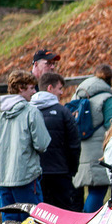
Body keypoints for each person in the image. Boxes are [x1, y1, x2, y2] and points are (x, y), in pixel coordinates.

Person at [0, 70, 50, 224]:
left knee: (10, 223)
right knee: (33, 223)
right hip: (26, 177)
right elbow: (42, 144)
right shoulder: (31, 111)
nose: (34, 92)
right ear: (21, 88)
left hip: (3, 178)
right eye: (31, 88)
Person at [72, 64, 112, 213]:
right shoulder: (107, 98)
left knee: (82, 193)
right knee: (98, 191)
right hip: (98, 152)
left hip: (79, 151)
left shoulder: (78, 95)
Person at [31, 72, 81, 211]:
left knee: (40, 211)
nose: (61, 92)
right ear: (50, 88)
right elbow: (74, 144)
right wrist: (72, 169)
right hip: (60, 172)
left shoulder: (29, 110)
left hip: (35, 173)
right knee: (63, 211)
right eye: (59, 88)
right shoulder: (63, 112)